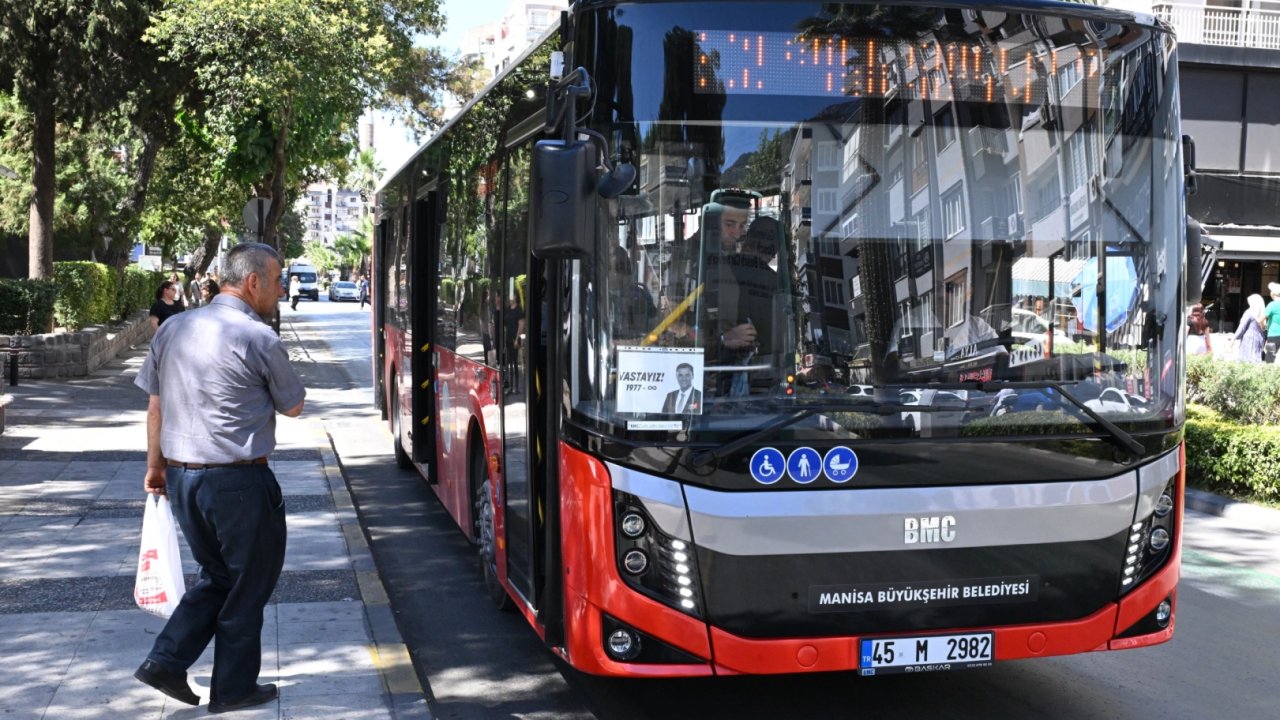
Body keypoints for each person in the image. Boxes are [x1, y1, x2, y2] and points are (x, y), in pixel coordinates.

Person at [132, 242, 305, 713]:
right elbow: (293, 405)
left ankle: (167, 660)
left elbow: (155, 405)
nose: (281, 288)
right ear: (253, 283)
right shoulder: (258, 337)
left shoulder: (173, 328)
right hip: (239, 484)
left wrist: (155, 466)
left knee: (219, 576)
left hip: (185, 480)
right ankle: (232, 688)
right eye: (277, 279)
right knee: (249, 584)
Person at [1232, 293, 1266, 362]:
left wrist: (1234, 338)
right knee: (1256, 359)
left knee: (1246, 360)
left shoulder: (1249, 312)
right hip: (1259, 339)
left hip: (1248, 339)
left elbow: (1242, 327)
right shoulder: (1262, 314)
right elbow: (1264, 328)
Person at [1263, 282, 1280, 362]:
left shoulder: (1272, 304)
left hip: (1273, 334)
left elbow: (1261, 318)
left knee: (1270, 357)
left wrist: (1262, 326)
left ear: (1273, 293)